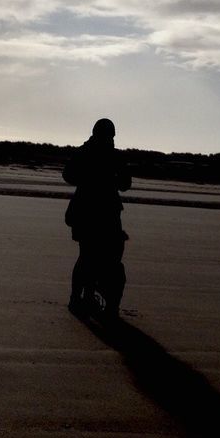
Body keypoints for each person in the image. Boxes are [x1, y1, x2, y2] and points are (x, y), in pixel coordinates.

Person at [63, 117, 131, 321]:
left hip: (91, 214)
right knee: (97, 258)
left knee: (90, 257)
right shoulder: (110, 155)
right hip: (99, 215)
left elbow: (68, 176)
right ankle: (85, 299)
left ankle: (83, 299)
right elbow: (125, 183)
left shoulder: (85, 152)